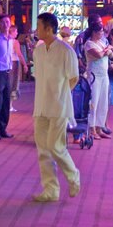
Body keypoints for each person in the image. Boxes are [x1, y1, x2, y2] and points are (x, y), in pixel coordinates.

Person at [31, 12, 80, 203]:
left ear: (49, 28)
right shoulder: (38, 51)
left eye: (39, 26)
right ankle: (50, 189)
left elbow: (73, 78)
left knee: (55, 146)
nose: (36, 30)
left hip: (59, 106)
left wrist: (61, 94)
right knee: (43, 149)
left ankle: (73, 175)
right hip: (40, 105)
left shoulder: (66, 51)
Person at [82, 21, 112, 140]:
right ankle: (92, 128)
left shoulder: (101, 42)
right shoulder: (89, 44)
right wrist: (107, 49)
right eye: (100, 32)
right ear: (94, 32)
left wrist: (107, 50)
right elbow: (98, 55)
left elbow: (110, 54)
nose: (102, 34)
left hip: (104, 75)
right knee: (93, 102)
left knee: (103, 102)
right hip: (94, 76)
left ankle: (99, 127)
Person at [9, 26, 28, 103]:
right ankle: (10, 104)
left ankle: (8, 104)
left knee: (9, 82)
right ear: (12, 32)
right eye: (16, 31)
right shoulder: (15, 42)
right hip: (14, 62)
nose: (17, 33)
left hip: (7, 63)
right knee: (14, 82)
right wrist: (24, 64)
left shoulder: (6, 40)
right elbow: (19, 54)